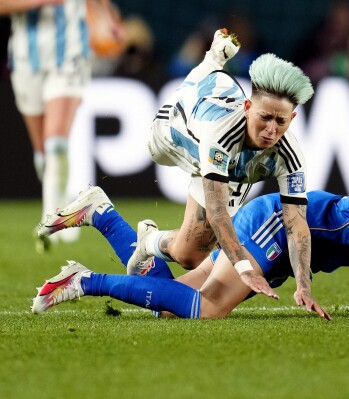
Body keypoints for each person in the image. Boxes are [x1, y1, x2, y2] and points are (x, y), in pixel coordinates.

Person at [33, 144, 349, 318]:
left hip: (293, 250)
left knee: (173, 298)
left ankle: (102, 214)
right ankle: (83, 281)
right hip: (279, 223)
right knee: (206, 310)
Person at [38, 27, 318, 303]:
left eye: (280, 121)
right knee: (209, 205)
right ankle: (212, 61)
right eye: (265, 117)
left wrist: (303, 286)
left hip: (222, 135)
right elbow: (218, 214)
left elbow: (297, 225)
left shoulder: (289, 153)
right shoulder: (219, 136)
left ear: (292, 119)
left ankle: (129, 229)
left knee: (190, 257)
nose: (271, 129)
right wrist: (245, 269)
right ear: (248, 109)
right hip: (171, 132)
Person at [0, 0, 123, 253]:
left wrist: (108, 18)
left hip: (71, 52)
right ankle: (59, 211)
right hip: (26, 59)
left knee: (56, 143)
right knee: (43, 154)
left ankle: (53, 222)